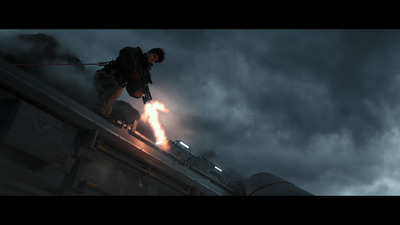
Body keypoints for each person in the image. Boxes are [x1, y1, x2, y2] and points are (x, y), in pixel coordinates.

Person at [92, 46, 165, 121]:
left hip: (110, 84)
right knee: (116, 90)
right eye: (154, 56)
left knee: (106, 110)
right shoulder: (135, 53)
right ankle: (98, 112)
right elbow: (124, 52)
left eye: (155, 60)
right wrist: (132, 69)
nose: (152, 60)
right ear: (149, 52)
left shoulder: (144, 73)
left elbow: (130, 89)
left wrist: (138, 92)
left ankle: (99, 118)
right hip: (104, 76)